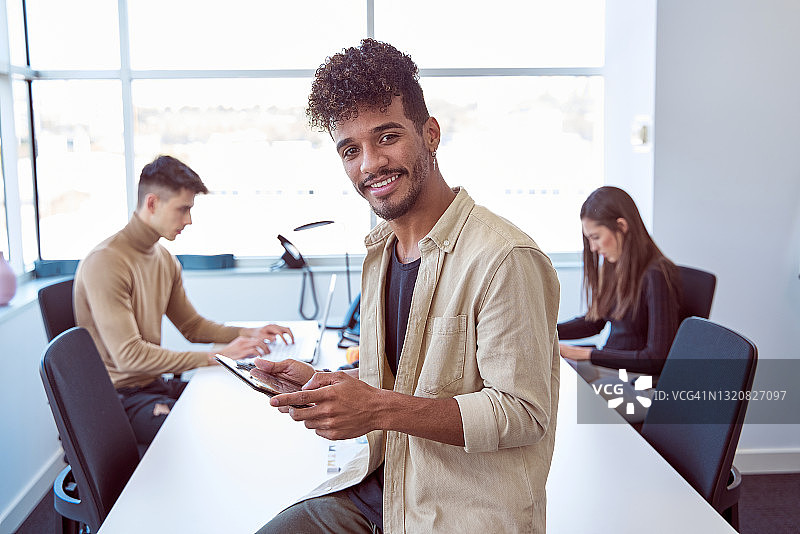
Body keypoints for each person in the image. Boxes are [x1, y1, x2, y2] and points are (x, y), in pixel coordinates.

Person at [252, 39, 561, 534]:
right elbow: (396, 387)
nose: (370, 164)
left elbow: (522, 413)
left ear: (431, 133)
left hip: (459, 512)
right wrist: (323, 384)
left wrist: (375, 407)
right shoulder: (379, 255)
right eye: (350, 150)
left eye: (387, 137)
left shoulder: (505, 258)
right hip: (383, 486)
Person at [74, 155, 293, 447]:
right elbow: (129, 355)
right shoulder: (106, 262)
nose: (189, 220)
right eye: (183, 209)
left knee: (243, 400)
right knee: (206, 435)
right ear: (152, 204)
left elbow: (191, 326)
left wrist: (247, 333)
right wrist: (217, 357)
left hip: (153, 384)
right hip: (117, 400)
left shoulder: (163, 258)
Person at [557, 186, 682, 419]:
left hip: (641, 383)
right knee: (554, 380)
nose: (593, 247)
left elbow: (656, 358)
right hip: (613, 370)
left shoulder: (657, 275)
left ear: (622, 227)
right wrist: (548, 332)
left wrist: (586, 354)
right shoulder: (616, 266)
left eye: (596, 237)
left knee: (566, 402)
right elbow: (595, 322)